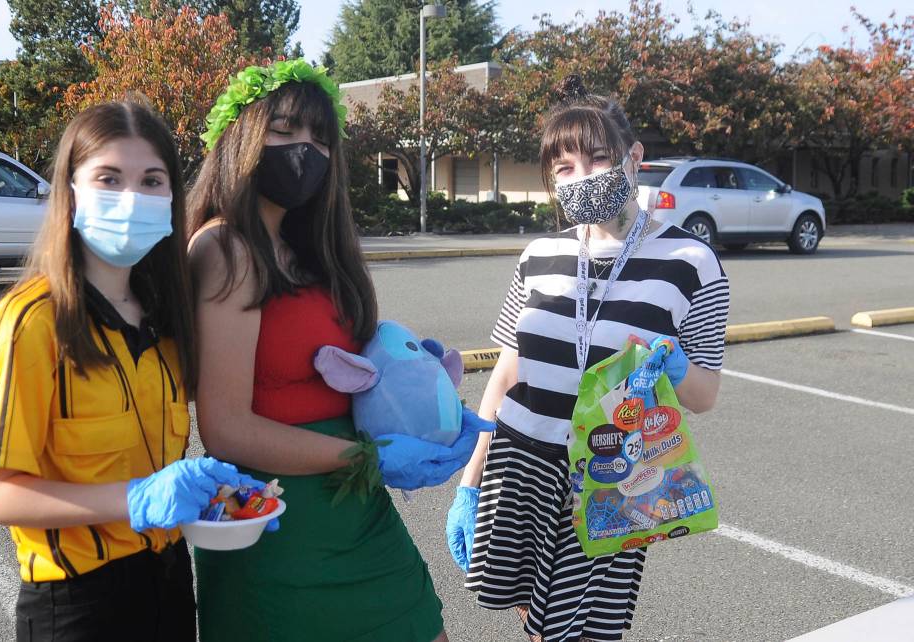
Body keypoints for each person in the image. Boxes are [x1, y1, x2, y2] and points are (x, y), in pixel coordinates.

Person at [187, 59, 493, 642]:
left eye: (319, 137)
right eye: (284, 129)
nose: (304, 148)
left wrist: (414, 387)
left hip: (359, 510)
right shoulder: (228, 248)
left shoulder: (314, 249)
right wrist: (366, 456)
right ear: (241, 133)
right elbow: (225, 428)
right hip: (277, 520)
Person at [446, 76, 730, 642]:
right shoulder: (540, 255)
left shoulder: (691, 261)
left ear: (633, 159)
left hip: (611, 472)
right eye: (564, 168)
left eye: (599, 159)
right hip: (521, 460)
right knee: (529, 615)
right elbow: (507, 371)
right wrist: (469, 481)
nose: (583, 177)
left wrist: (675, 371)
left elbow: (704, 396)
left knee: (580, 630)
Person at [0, 100, 263, 641]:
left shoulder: (166, 319)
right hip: (78, 606)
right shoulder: (30, 324)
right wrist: (134, 499)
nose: (133, 198)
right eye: (109, 177)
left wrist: (221, 497)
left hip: (170, 587)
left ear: (172, 197)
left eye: (152, 180)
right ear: (71, 191)